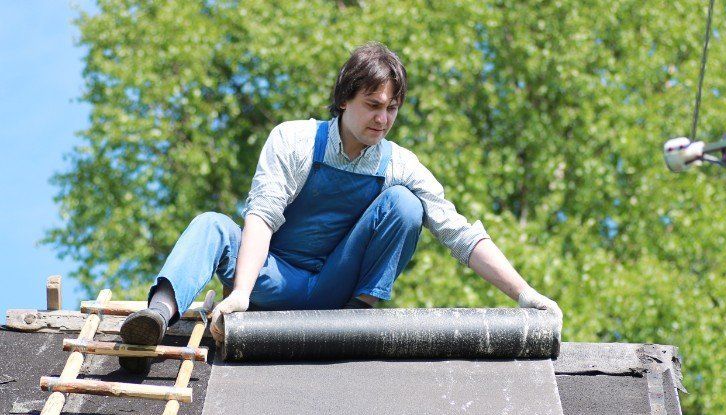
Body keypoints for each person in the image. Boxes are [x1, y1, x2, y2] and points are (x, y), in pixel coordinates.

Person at [118, 42, 561, 372]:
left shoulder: (400, 165)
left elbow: (459, 233)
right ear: (345, 98)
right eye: (372, 105)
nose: (381, 119)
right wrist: (240, 296)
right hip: (271, 278)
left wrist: (526, 296)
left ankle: (359, 317)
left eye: (391, 109)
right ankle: (156, 315)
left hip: (336, 291)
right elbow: (262, 215)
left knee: (406, 206)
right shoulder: (292, 139)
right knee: (211, 224)